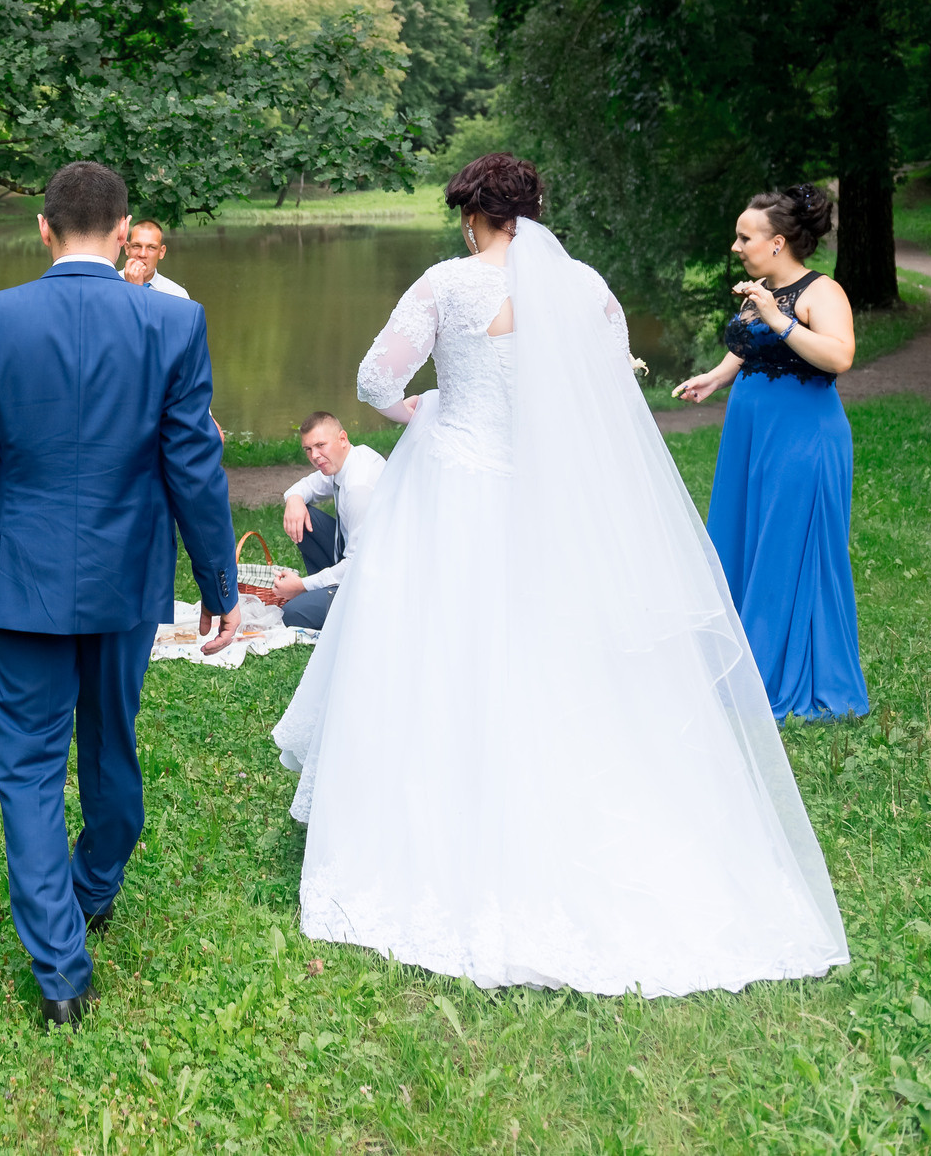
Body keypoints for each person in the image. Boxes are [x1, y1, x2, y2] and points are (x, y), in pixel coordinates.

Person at [270, 152, 848, 996]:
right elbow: (608, 391)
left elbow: (373, 380)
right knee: (556, 653)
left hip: (459, 485)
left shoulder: (447, 283)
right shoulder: (585, 288)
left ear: (472, 216)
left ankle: (443, 821)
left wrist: (432, 407)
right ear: (532, 213)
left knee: (448, 650)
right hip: (547, 497)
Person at [0, 160, 239, 1026]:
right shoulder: (173, 323)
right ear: (121, 231)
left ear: (42, 227)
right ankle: (93, 887)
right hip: (126, 576)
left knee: (27, 765)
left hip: (27, 574)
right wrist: (218, 581)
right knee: (111, 740)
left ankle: (61, 972)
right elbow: (195, 464)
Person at [673, 186, 869, 720]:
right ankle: (742, 662)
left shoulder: (820, 291)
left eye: (745, 237)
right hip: (752, 434)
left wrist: (779, 318)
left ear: (778, 241)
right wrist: (714, 377)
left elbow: (839, 356)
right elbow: (749, 348)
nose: (736, 246)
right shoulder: (763, 289)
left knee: (787, 546)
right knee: (747, 536)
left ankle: (781, 673)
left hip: (803, 437)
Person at [247, 412, 386, 631]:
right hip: (354, 559)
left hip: (374, 580)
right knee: (304, 515)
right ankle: (322, 592)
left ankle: (330, 598)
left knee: (293, 613)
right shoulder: (346, 459)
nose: (315, 456)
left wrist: (302, 586)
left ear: (342, 438)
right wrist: (293, 499)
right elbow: (308, 486)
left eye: (321, 445)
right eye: (308, 449)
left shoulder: (359, 486)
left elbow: (356, 564)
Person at [120, 220, 189, 298]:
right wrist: (132, 289)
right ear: (127, 248)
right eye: (136, 246)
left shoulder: (176, 294)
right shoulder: (109, 285)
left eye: (151, 247)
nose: (142, 254)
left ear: (161, 252)